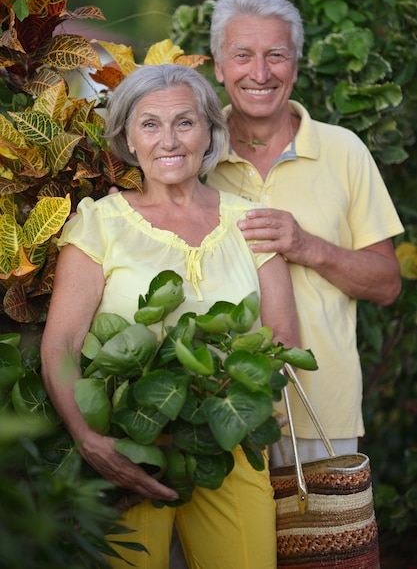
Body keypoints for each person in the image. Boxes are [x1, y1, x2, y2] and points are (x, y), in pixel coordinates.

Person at [41, 63, 301, 569]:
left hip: (229, 444)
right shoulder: (100, 222)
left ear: (208, 132)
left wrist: (222, 407)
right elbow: (62, 345)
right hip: (126, 449)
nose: (169, 140)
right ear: (128, 140)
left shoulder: (250, 220)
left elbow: (283, 337)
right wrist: (90, 440)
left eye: (184, 122)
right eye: (150, 125)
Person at [205, 0, 404, 464]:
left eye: (276, 55)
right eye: (242, 55)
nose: (260, 73)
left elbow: (388, 285)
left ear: (295, 66)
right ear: (217, 65)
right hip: (213, 407)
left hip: (321, 413)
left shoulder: (344, 149)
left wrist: (309, 246)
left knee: (327, 541)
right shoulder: (194, 155)